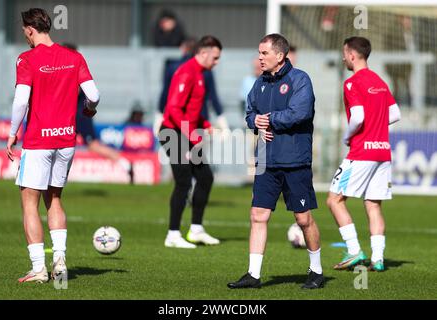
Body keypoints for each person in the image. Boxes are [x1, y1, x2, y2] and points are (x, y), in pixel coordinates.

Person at [6, 8, 100, 283]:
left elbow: (21, 100)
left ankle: (39, 268)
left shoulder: (27, 58)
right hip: (66, 139)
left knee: (29, 204)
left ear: (30, 29)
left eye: (24, 30)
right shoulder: (74, 56)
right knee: (55, 199)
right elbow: (93, 94)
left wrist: (13, 133)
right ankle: (59, 260)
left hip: (38, 141)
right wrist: (88, 110)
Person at [227, 34, 324, 290]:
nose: (259, 58)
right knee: (258, 215)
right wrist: (254, 121)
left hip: (294, 161)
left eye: (264, 53)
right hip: (266, 161)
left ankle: (316, 270)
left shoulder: (300, 80)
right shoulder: (259, 83)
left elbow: (299, 113)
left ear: (280, 56)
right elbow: (250, 113)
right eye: (259, 53)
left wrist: (267, 119)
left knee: (303, 219)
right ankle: (253, 274)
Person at [326, 37, 401, 272]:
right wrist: (377, 126)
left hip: (362, 151)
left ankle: (354, 250)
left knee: (334, 199)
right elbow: (395, 114)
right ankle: (378, 259)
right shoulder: (379, 81)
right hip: (383, 152)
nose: (342, 58)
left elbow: (357, 116)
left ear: (351, 55)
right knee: (373, 204)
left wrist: (349, 136)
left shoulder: (352, 83)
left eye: (344, 53)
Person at [159, 35, 222, 249]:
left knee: (205, 177)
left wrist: (205, 124)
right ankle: (173, 234)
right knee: (184, 181)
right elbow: (174, 109)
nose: (217, 62)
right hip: (173, 133)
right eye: (215, 57)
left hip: (185, 133)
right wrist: (192, 135)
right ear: (203, 53)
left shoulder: (201, 74)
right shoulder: (187, 72)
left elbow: (192, 109)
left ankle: (196, 230)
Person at [63, 43, 132, 182]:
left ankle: (126, 164)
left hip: (79, 114)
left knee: (92, 145)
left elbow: (77, 92)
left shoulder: (73, 69)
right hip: (74, 112)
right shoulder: (73, 67)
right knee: (66, 144)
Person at [154, 38, 229, 136]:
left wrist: (159, 115)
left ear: (182, 48)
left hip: (178, 124)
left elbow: (165, 94)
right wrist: (222, 122)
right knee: (189, 149)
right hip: (193, 123)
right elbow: (213, 97)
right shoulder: (203, 71)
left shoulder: (172, 67)